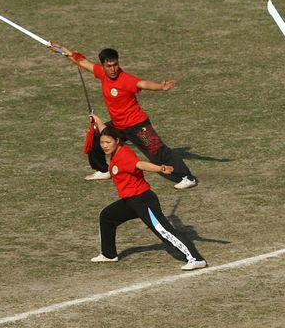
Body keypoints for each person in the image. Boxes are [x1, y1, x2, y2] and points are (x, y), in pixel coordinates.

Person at [50, 43, 197, 188]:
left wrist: (160, 86)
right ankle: (102, 170)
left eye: (115, 64)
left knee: (158, 152)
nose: (113, 69)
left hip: (137, 125)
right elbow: (82, 62)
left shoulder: (125, 79)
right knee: (95, 135)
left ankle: (187, 177)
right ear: (103, 66)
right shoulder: (101, 73)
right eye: (109, 66)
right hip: (118, 126)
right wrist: (62, 50)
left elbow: (143, 84)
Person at [88, 114, 206, 270]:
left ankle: (196, 259)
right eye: (102, 142)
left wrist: (160, 168)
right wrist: (97, 120)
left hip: (142, 200)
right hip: (130, 201)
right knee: (107, 216)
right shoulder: (116, 146)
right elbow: (106, 131)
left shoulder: (124, 155)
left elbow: (140, 164)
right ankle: (108, 254)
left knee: (164, 231)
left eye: (108, 142)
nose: (104, 146)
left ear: (117, 141)